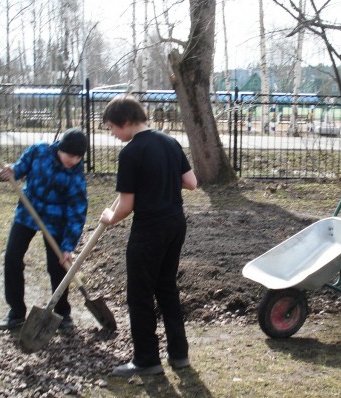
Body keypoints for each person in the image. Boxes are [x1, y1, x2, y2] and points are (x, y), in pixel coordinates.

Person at [99, 94, 197, 377]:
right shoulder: (169, 142)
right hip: (175, 224)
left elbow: (126, 206)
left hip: (149, 229)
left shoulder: (131, 152)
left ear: (127, 122)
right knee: (166, 287)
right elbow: (191, 183)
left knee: (140, 293)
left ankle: (146, 360)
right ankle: (179, 355)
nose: (113, 134)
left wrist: (109, 218)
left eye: (112, 128)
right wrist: (162, 178)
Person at [0, 128, 88, 331]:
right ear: (60, 148)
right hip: (27, 214)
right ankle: (16, 312)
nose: (73, 161)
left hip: (56, 221)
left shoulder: (76, 176)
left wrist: (68, 246)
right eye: (70, 155)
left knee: (57, 266)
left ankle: (62, 313)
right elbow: (20, 169)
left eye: (78, 157)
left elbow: (77, 212)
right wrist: (12, 171)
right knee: (12, 258)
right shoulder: (39, 152)